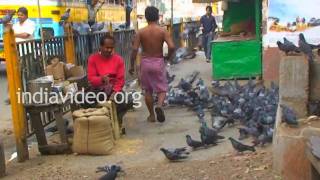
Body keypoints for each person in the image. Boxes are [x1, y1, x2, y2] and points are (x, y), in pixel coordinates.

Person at [129, 6, 175, 123]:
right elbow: (172, 46)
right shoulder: (162, 31)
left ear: (146, 17)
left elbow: (134, 49)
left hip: (145, 62)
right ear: (157, 16)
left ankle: (151, 116)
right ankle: (159, 105)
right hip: (158, 61)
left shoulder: (141, 32)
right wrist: (168, 58)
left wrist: (131, 65)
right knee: (162, 89)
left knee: (147, 90)